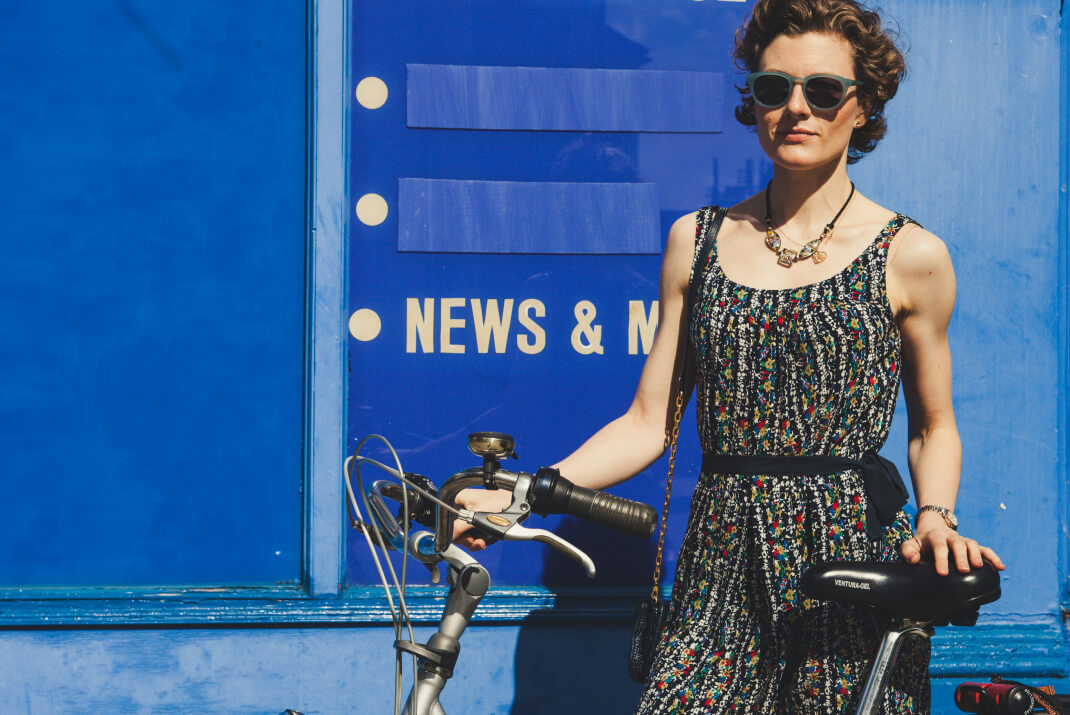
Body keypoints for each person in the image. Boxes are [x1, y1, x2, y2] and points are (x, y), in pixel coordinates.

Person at [457, 0, 1004, 711]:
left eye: (824, 90)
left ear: (864, 105)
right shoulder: (697, 239)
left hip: (847, 546)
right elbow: (647, 422)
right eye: (775, 88)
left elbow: (934, 426)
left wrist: (935, 517)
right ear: (754, 101)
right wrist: (524, 493)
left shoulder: (911, 254)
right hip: (721, 550)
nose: (796, 108)